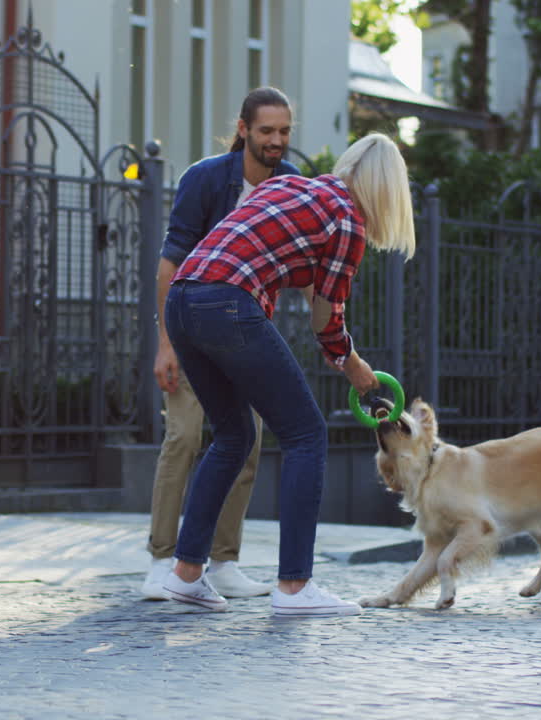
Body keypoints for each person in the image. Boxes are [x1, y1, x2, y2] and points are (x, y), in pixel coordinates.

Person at [160, 132, 416, 616]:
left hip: (182, 299)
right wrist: (353, 365)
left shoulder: (290, 186)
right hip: (226, 302)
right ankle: (295, 587)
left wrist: (333, 346)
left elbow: (266, 260)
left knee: (233, 435)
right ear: (388, 190)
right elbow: (326, 318)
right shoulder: (347, 219)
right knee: (306, 434)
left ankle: (186, 574)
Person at [141, 88, 302, 601]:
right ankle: (162, 560)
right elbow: (170, 263)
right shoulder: (206, 178)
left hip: (247, 333)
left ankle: (225, 561)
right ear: (243, 129)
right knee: (184, 438)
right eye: (266, 131)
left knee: (247, 443)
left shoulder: (291, 184)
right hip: (191, 328)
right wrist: (166, 344)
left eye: (284, 131)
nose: (276, 141)